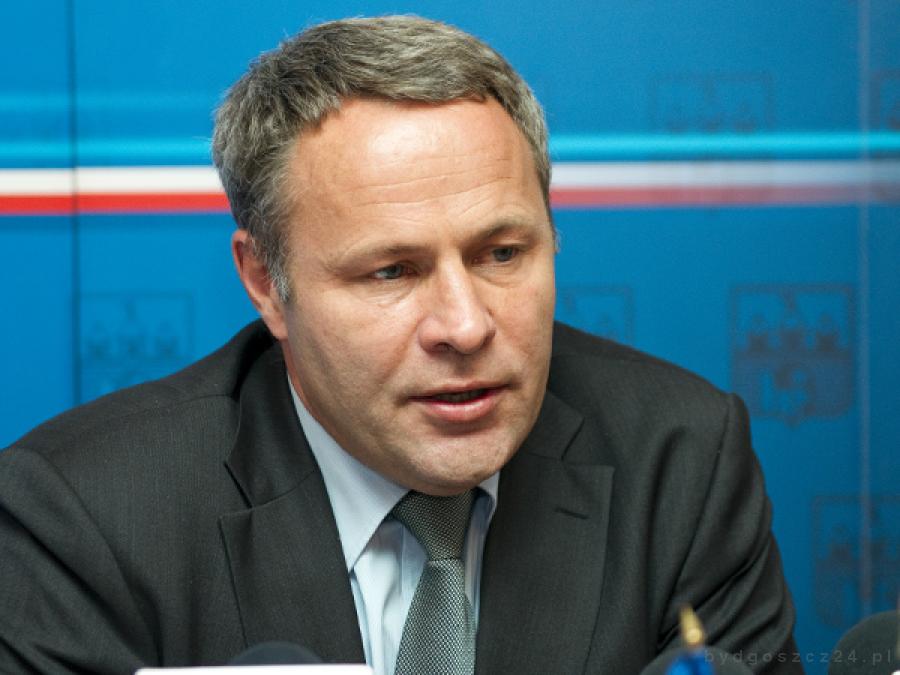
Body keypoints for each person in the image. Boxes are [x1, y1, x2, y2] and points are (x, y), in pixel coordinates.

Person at [0, 16, 802, 675]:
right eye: (392, 271)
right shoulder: (85, 517)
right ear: (266, 282)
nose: (465, 325)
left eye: (501, 253)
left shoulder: (681, 461)